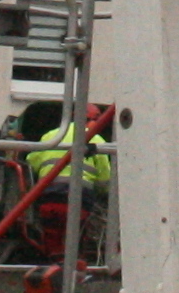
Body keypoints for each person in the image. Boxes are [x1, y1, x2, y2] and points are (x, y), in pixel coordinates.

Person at [19, 101, 117, 274]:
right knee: (76, 243)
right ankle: (73, 275)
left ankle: (52, 274)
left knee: (53, 240)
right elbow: (104, 180)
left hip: (49, 200)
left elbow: (31, 163)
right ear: (93, 120)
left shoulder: (51, 136)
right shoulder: (96, 140)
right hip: (79, 202)